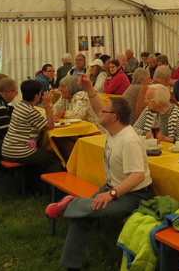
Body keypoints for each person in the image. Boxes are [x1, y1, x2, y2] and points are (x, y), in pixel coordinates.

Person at [48, 96, 153, 271]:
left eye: (105, 112)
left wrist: (111, 194)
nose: (100, 113)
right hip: (111, 188)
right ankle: (71, 266)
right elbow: (98, 108)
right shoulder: (113, 130)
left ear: (114, 117)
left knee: (84, 209)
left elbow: (137, 176)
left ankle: (70, 204)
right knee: (81, 215)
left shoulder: (129, 140)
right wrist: (89, 88)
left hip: (133, 196)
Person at [1, 79, 62, 193]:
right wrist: (47, 106)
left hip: (8, 148)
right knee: (55, 158)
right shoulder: (30, 111)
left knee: (39, 148)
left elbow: (35, 123)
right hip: (20, 151)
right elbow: (50, 126)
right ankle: (54, 191)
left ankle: (35, 186)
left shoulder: (19, 106)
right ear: (36, 96)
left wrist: (47, 119)